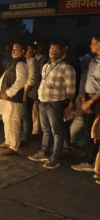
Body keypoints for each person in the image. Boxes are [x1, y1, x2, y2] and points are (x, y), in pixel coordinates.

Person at [29, 40, 76, 169]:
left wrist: (66, 99)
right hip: (43, 101)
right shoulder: (46, 66)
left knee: (57, 131)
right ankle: (44, 151)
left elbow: (71, 89)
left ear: (62, 52)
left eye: (56, 50)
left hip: (55, 103)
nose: (53, 52)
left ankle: (56, 156)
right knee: (45, 130)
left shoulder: (66, 68)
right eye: (51, 50)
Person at [72, 33, 100, 172]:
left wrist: (90, 102)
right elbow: (86, 81)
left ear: (99, 44)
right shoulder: (93, 61)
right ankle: (89, 160)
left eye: (92, 43)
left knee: (97, 132)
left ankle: (94, 162)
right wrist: (84, 99)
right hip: (89, 99)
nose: (90, 46)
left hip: (97, 100)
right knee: (89, 131)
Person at [0, 43, 28, 155]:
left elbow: (21, 81)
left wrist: (9, 92)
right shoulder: (13, 62)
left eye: (16, 49)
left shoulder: (21, 64)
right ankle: (8, 141)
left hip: (13, 98)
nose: (13, 51)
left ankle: (13, 147)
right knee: (6, 119)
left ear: (23, 51)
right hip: (6, 98)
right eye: (12, 49)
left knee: (13, 121)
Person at [21, 44, 41, 145]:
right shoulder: (28, 62)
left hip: (28, 93)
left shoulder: (33, 62)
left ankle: (25, 138)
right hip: (25, 92)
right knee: (24, 115)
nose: (26, 52)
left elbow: (32, 79)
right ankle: (23, 135)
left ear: (33, 51)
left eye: (28, 50)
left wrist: (25, 93)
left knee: (26, 115)